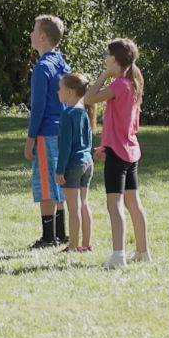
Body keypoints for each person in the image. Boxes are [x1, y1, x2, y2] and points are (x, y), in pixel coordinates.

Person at [82, 38, 150, 269]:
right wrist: (107, 143)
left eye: (107, 55)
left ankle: (118, 255)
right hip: (130, 151)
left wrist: (104, 75)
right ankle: (142, 251)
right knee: (133, 202)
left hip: (119, 153)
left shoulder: (120, 84)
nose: (105, 58)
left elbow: (89, 98)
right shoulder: (134, 82)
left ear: (115, 59)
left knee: (115, 204)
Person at [26, 14, 72, 249]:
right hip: (63, 131)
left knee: (45, 184)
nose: (31, 34)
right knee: (60, 181)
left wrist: (30, 138)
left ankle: (47, 237)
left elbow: (38, 108)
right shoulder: (63, 63)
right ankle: (62, 233)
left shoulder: (42, 68)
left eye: (34, 30)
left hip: (46, 133)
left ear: (43, 37)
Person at [55, 72, 96, 254]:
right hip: (87, 162)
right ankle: (86, 245)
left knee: (73, 208)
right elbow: (87, 140)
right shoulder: (84, 112)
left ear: (70, 92)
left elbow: (65, 147)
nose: (58, 92)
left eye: (60, 89)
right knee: (84, 203)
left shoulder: (67, 114)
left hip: (72, 165)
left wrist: (59, 170)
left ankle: (72, 246)